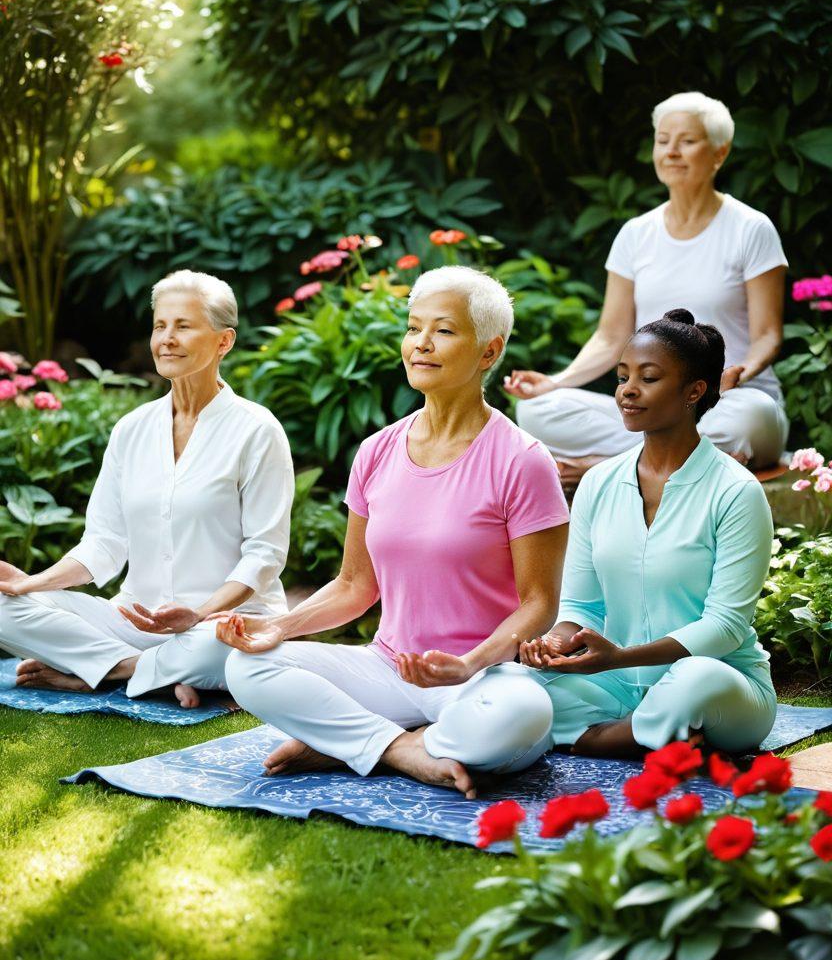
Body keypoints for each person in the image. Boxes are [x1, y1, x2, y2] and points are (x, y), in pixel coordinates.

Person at [208, 267, 569, 797]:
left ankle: (347, 742)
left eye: (444, 330)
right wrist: (279, 628)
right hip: (387, 666)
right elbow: (355, 585)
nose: (421, 343)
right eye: (414, 327)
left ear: (488, 352)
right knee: (247, 667)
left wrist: (468, 664)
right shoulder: (376, 451)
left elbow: (539, 604)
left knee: (519, 720)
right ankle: (399, 747)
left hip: (480, 676)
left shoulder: (523, 461)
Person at [0, 270, 293, 706]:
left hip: (220, 623)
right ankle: (142, 670)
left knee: (223, 649)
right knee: (2, 607)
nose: (167, 339)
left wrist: (199, 612)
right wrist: (32, 584)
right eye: (160, 326)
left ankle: (103, 670)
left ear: (224, 341)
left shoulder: (257, 430)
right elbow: (104, 543)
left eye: (183, 326)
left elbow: (264, 555)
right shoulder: (131, 429)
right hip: (133, 621)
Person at [519, 308, 777, 757]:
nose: (627, 390)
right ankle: (649, 735)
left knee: (695, 678)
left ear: (694, 391)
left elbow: (725, 627)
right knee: (515, 683)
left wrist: (621, 656)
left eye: (649, 378)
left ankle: (605, 736)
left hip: (719, 685)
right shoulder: (598, 483)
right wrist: (554, 644)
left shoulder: (736, 491)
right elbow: (581, 604)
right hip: (617, 684)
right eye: (623, 377)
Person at [504, 92, 789, 489]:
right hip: (653, 407)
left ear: (719, 152)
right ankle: (681, 461)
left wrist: (738, 373)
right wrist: (557, 382)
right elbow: (611, 337)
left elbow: (768, 336)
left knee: (752, 417)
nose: (671, 151)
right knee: (537, 410)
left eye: (687, 141)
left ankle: (604, 466)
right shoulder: (635, 234)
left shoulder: (751, 228)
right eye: (663, 140)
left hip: (729, 403)